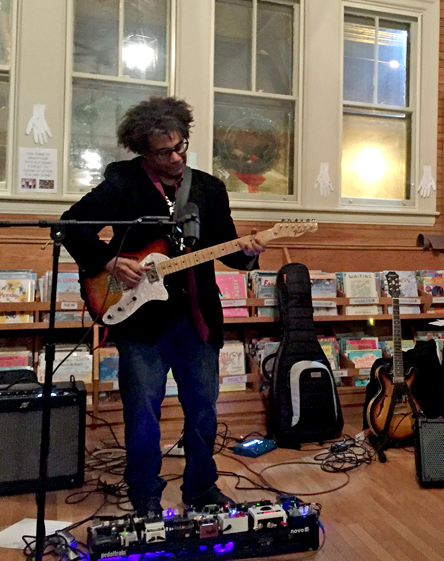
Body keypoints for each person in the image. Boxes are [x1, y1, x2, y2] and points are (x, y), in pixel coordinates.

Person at [61, 96, 266, 516]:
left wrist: (248, 251)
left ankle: (201, 488)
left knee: (204, 412)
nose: (176, 156)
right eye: (164, 151)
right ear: (144, 150)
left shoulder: (209, 188)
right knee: (142, 412)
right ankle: (144, 491)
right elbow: (70, 226)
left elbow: (224, 248)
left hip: (198, 320)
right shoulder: (122, 185)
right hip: (141, 320)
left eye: (181, 146)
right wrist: (108, 262)